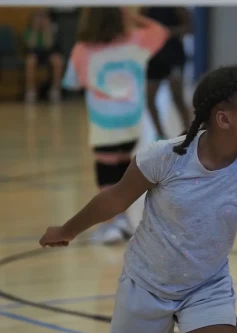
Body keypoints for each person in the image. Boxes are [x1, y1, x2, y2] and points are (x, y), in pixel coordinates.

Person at [39, 64, 237, 333]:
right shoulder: (166, 157)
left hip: (207, 287)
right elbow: (114, 200)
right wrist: (68, 229)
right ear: (224, 119)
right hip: (145, 284)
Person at [61, 8, 169, 244]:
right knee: (121, 171)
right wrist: (131, 16)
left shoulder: (82, 49)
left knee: (107, 173)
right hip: (130, 120)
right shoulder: (136, 43)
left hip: (104, 122)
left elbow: (72, 82)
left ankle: (112, 225)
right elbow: (160, 31)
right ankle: (120, 220)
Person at [143, 6, 193, 140]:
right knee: (149, 98)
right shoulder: (145, 7)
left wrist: (167, 32)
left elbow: (190, 28)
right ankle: (160, 134)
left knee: (177, 97)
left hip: (173, 57)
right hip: (153, 57)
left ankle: (190, 133)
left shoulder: (177, 6)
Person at [23, 8, 64, 103]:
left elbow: (49, 45)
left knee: (57, 60)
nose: (40, 20)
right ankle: (31, 91)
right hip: (34, 53)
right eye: (38, 17)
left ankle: (55, 90)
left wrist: (46, 30)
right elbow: (30, 45)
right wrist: (35, 29)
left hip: (48, 53)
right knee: (30, 61)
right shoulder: (29, 30)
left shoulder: (52, 29)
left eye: (43, 17)